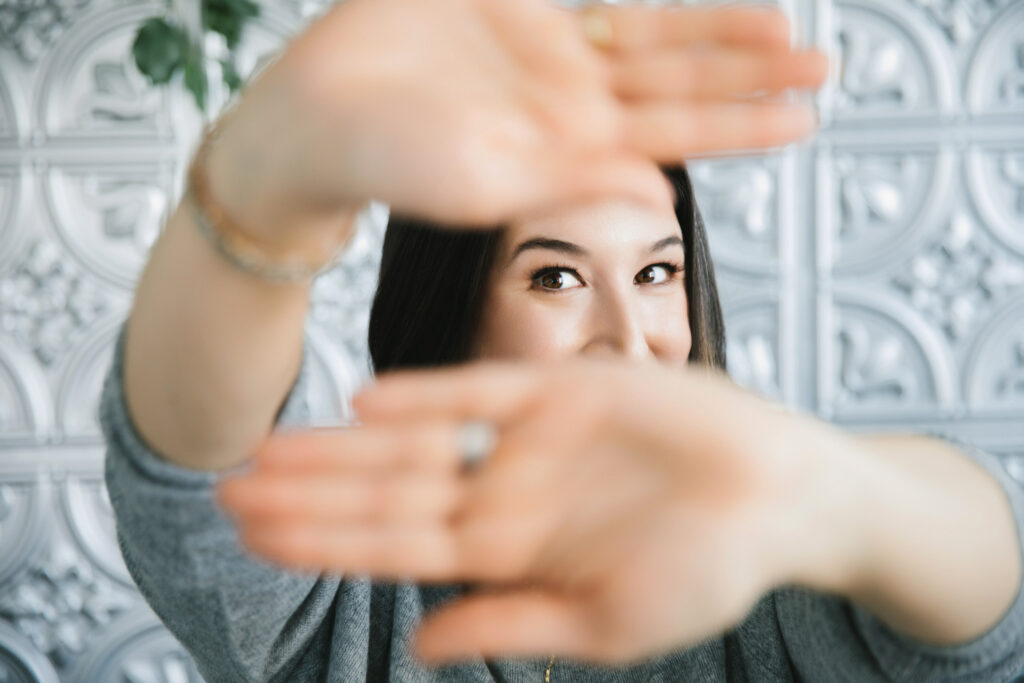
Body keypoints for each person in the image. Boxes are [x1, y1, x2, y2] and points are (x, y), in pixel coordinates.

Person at [100, 0, 1024, 680]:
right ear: (453, 314)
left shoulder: (762, 548)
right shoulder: (357, 580)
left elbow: (986, 611)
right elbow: (189, 479)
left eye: (657, 272)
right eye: (556, 276)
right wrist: (276, 165)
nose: (628, 341)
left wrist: (819, 494)